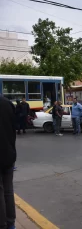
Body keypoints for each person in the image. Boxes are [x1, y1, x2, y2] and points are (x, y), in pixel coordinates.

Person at [0, 95, 17, 229]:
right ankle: (11, 223)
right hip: (8, 154)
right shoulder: (8, 103)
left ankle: (2, 223)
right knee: (8, 190)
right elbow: (13, 130)